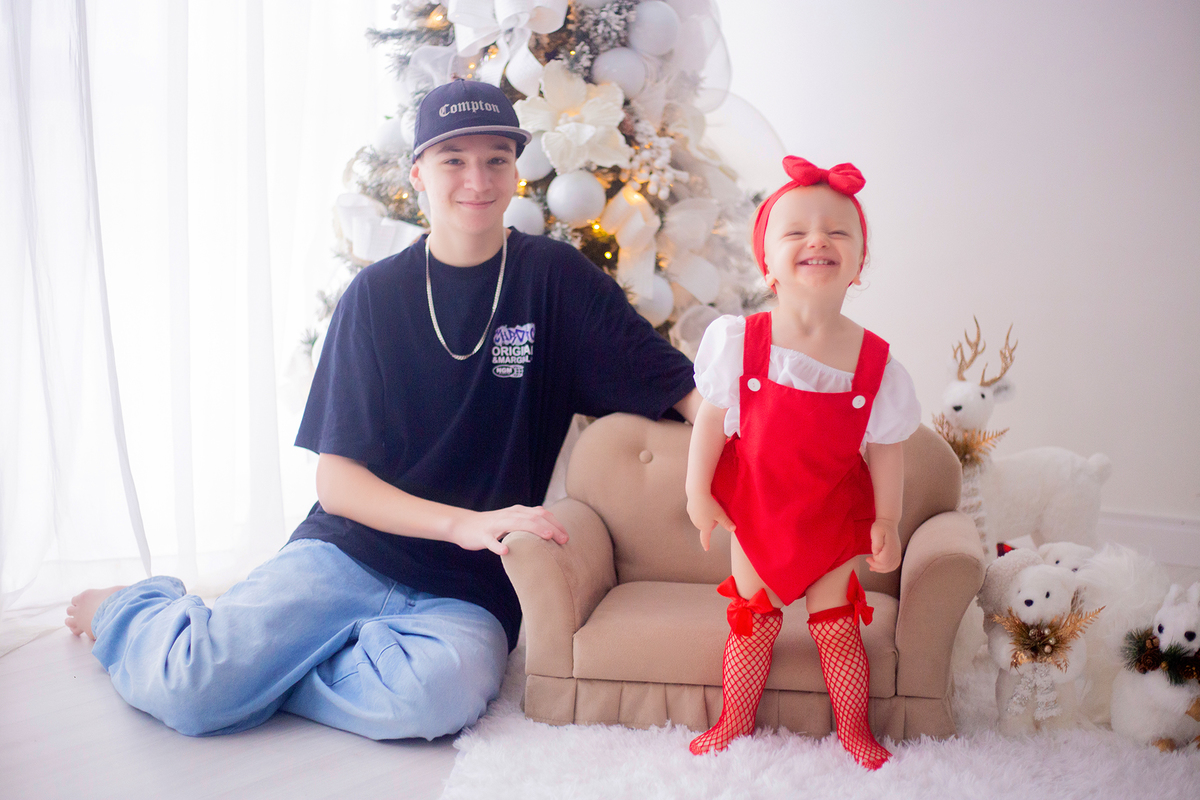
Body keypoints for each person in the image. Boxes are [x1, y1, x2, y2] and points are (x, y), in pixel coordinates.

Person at [65, 79, 699, 741]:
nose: (476, 179)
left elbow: (680, 389)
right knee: (192, 692)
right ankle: (129, 610)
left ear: (516, 170)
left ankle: (264, 671)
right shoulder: (373, 296)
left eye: (495, 159)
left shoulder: (554, 279)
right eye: (453, 159)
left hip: (469, 585)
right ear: (419, 172)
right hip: (349, 552)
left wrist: (766, 424)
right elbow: (337, 484)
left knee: (432, 702)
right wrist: (461, 522)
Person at [683, 157, 920, 768]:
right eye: (796, 231)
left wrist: (887, 521)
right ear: (766, 261)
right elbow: (710, 420)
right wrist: (697, 493)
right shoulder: (740, 341)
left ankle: (855, 731)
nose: (818, 239)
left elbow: (886, 450)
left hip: (833, 514)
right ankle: (733, 721)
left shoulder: (878, 364)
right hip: (758, 509)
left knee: (839, 627)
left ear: (860, 263)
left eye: (838, 231)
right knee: (752, 621)